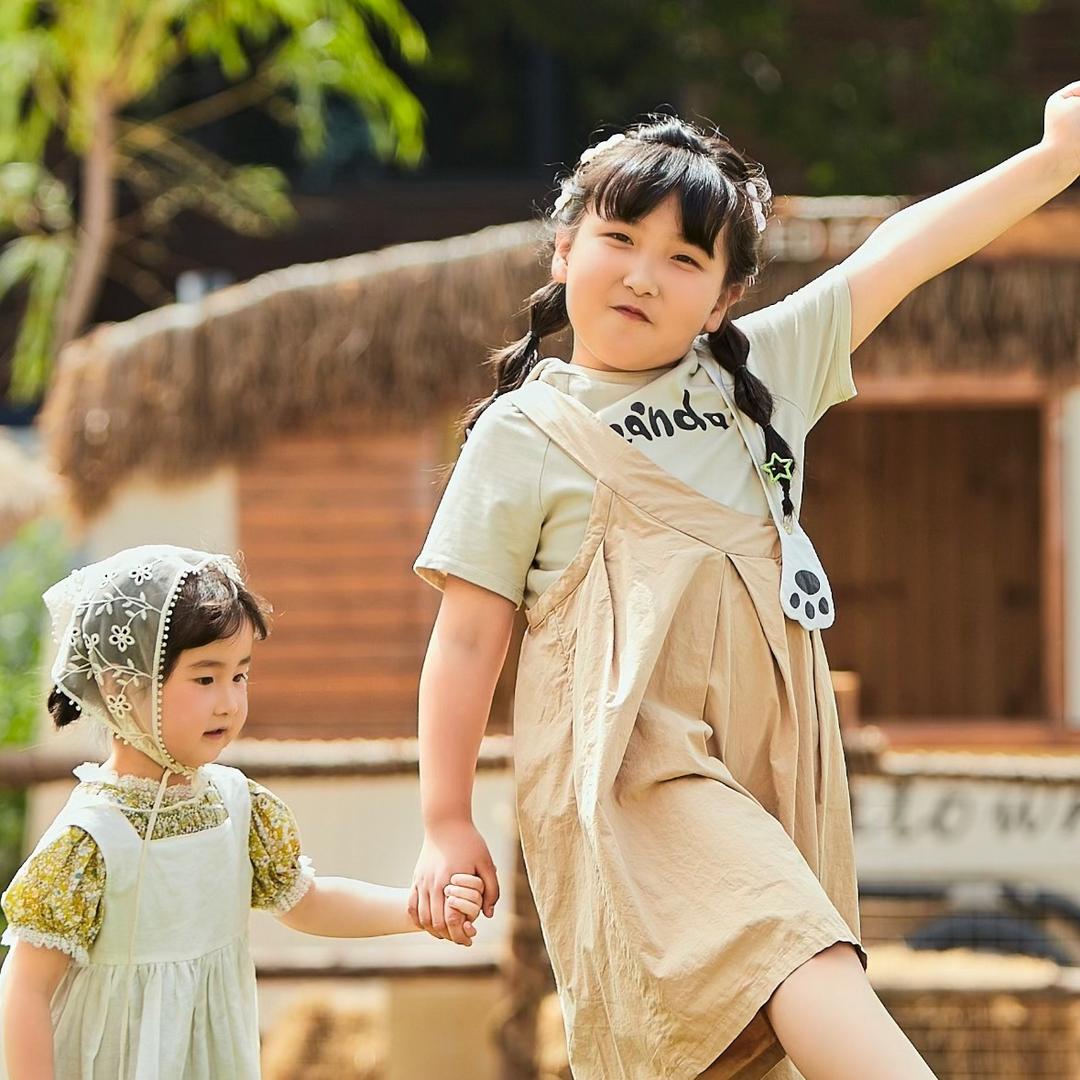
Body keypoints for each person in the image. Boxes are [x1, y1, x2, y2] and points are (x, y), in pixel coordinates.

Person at [409, 84, 1080, 1079]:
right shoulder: (523, 433)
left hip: (772, 762)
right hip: (636, 772)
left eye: (684, 259)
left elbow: (906, 249)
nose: (643, 274)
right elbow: (467, 637)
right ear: (564, 251)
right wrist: (444, 820)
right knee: (804, 954)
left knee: (746, 1031)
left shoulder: (763, 375)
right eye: (620, 238)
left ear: (724, 298)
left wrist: (1055, 157)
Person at [0, 545, 484, 1080]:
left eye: (240, 676)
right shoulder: (91, 839)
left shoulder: (235, 806)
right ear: (120, 686)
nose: (229, 701)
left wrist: (414, 911)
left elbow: (306, 902)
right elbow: (26, 985)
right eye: (205, 679)